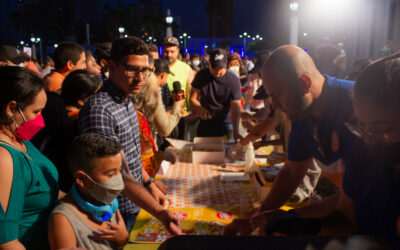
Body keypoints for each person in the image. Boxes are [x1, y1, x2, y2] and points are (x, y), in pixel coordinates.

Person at [224, 45, 357, 235]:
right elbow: (292, 170)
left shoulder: (355, 109)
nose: (275, 105)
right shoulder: (302, 113)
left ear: (305, 83)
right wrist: (260, 216)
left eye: (277, 95)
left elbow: (354, 201)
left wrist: (288, 219)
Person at [79, 37, 182, 234]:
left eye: (145, 70)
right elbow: (113, 173)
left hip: (136, 202)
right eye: (132, 69)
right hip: (114, 213)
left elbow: (131, 157)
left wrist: (149, 183)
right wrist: (159, 212)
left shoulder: (127, 100)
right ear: (111, 66)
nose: (140, 78)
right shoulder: (100, 110)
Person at [0, 66, 59, 249]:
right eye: (36, 112)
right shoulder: (4, 159)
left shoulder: (19, 139)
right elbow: (7, 241)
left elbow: (42, 188)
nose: (40, 119)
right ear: (11, 108)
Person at [49, 133, 129, 250]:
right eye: (111, 174)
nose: (118, 178)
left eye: (119, 170)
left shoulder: (108, 201)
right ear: (82, 179)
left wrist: (123, 238)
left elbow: (120, 244)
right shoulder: (62, 219)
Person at [190, 48, 242, 141]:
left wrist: (236, 131)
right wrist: (199, 109)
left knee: (225, 152)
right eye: (214, 67)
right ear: (209, 63)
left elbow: (236, 106)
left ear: (226, 65)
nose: (217, 71)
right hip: (205, 122)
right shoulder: (201, 75)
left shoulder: (233, 80)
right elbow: (193, 98)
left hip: (226, 123)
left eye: (221, 68)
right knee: (202, 151)